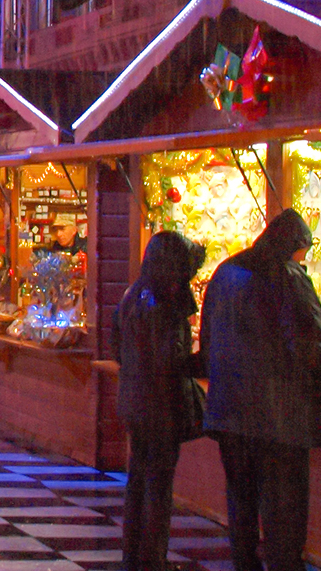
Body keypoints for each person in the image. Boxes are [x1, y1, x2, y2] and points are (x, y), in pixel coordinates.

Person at [202, 208, 321, 571]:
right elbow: (308, 345)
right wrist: (318, 399)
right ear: (294, 246)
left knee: (241, 506)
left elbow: (208, 342)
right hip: (280, 419)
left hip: (229, 412)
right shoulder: (287, 277)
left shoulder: (226, 272)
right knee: (284, 518)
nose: (302, 259)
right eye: (302, 252)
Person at [110, 230, 208, 571]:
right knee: (158, 487)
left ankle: (133, 557)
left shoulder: (132, 294)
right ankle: (153, 560)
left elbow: (117, 347)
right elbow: (172, 360)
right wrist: (204, 359)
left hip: (135, 402)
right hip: (161, 406)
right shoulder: (164, 304)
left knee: (138, 482)